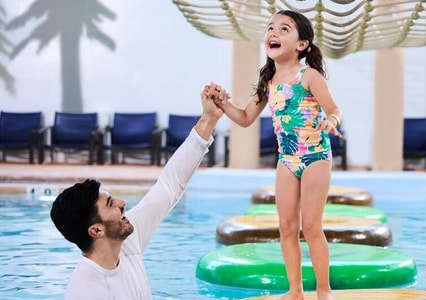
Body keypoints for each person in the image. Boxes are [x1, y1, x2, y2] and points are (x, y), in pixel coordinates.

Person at [49, 84, 227, 300]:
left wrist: (209, 118)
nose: (122, 203)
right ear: (96, 231)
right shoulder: (86, 292)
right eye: (110, 204)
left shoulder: (125, 243)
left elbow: (170, 185)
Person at [211, 10, 342, 300]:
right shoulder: (269, 80)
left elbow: (334, 109)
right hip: (287, 159)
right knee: (286, 227)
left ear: (301, 45)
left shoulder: (309, 75)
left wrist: (331, 122)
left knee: (310, 226)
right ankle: (295, 291)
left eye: (285, 29)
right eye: (271, 28)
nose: (274, 33)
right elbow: (245, 117)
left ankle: (323, 289)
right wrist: (221, 103)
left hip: (315, 156)